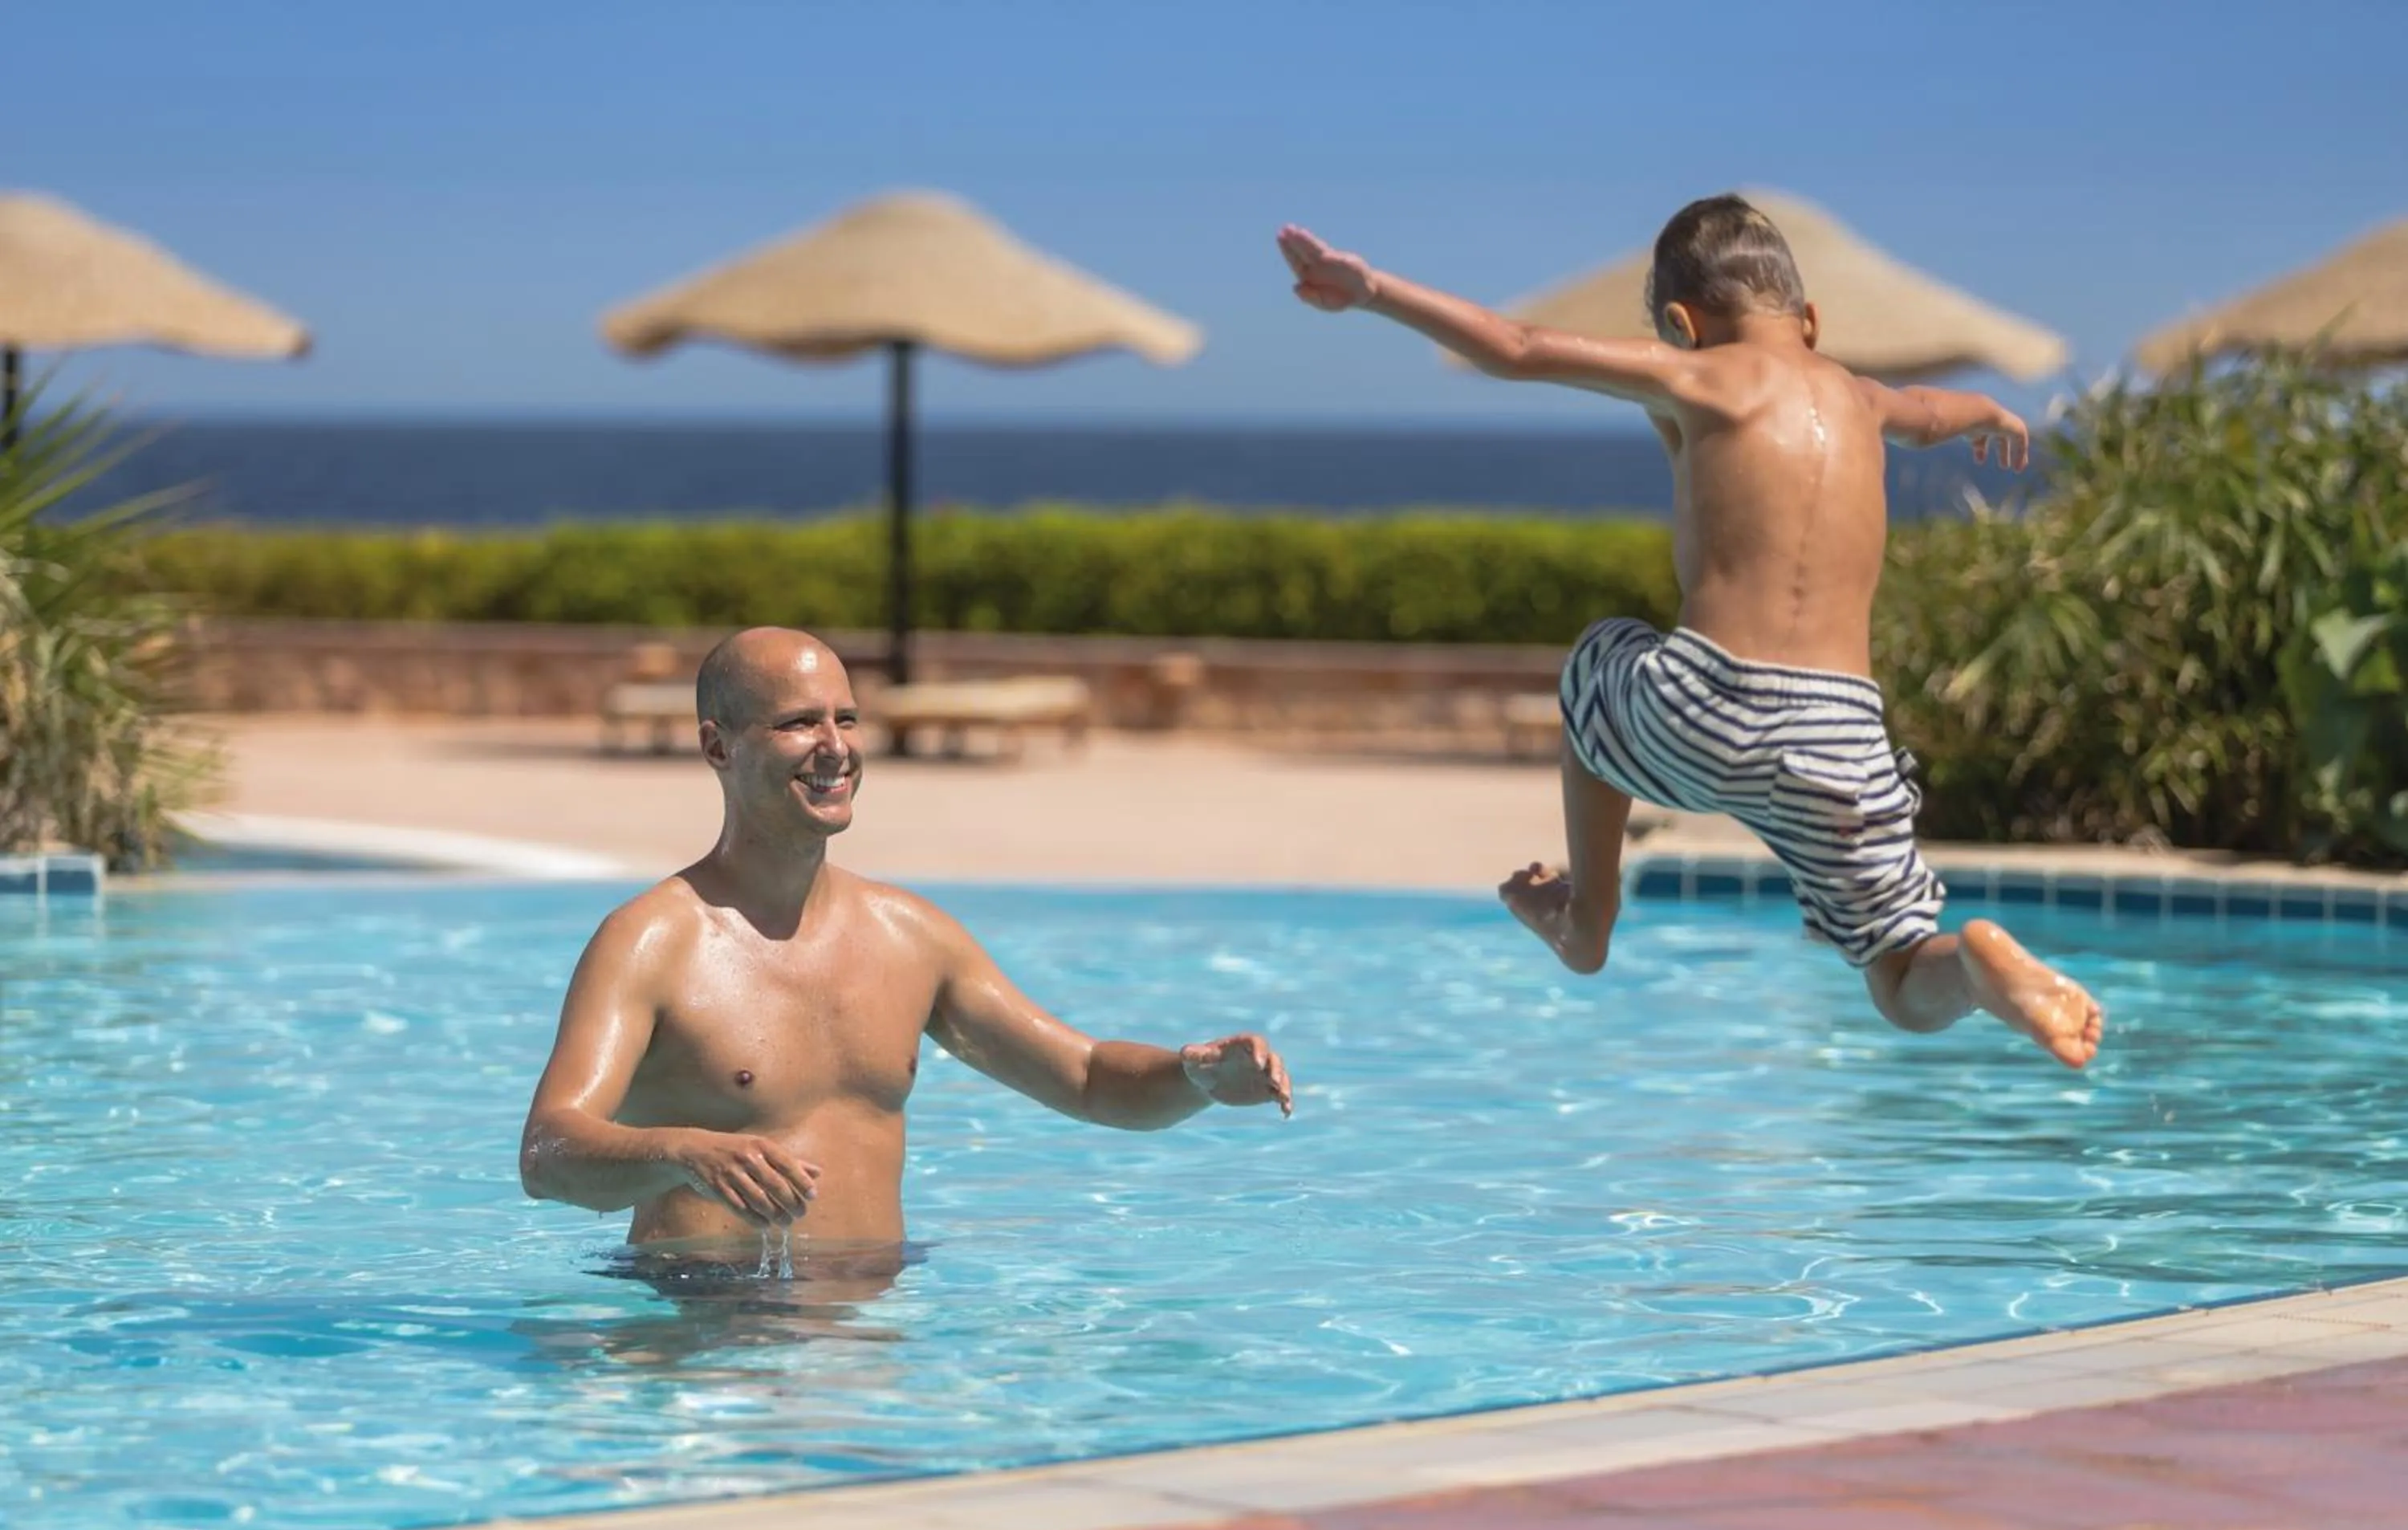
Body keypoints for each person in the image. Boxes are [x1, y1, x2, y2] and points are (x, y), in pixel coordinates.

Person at [1277, 197, 2102, 1070]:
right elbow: (1932, 412)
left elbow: (1515, 345)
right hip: (1844, 736)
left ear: (1680, 325)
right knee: (1898, 980)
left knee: (1599, 661)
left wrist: (1373, 290)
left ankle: (1588, 918)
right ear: (1811, 320)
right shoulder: (1863, 398)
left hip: (1709, 703)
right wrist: (1989, 412)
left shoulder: (1699, 376)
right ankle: (1971, 968)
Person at [519, 628, 1293, 1265]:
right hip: (701, 1322)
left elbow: (1087, 1079)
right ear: (719, 748)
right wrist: (684, 1153)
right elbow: (548, 1153)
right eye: (798, 723)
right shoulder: (652, 941)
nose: (835, 747)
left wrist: (1192, 1077)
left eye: (847, 719)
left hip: (873, 1334)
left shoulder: (910, 935)